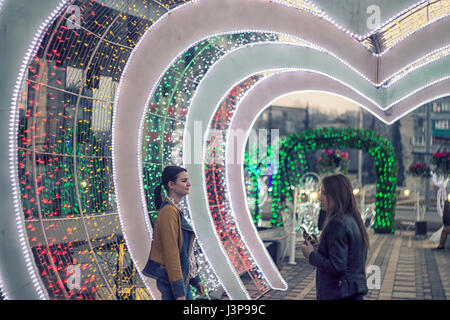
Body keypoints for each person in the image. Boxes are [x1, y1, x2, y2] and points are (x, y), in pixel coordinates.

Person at [301, 173, 369, 300]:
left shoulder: (337, 223)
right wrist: (320, 247)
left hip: (339, 294)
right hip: (351, 292)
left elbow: (337, 266)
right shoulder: (352, 220)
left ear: (337, 196)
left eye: (324, 193)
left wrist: (311, 255)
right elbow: (346, 257)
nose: (320, 198)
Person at [142, 165, 204, 300]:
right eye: (184, 181)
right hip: (175, 284)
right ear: (171, 184)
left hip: (181, 281)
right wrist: (179, 293)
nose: (189, 184)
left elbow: (185, 252)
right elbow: (172, 255)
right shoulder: (169, 212)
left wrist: (195, 279)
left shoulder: (175, 210)